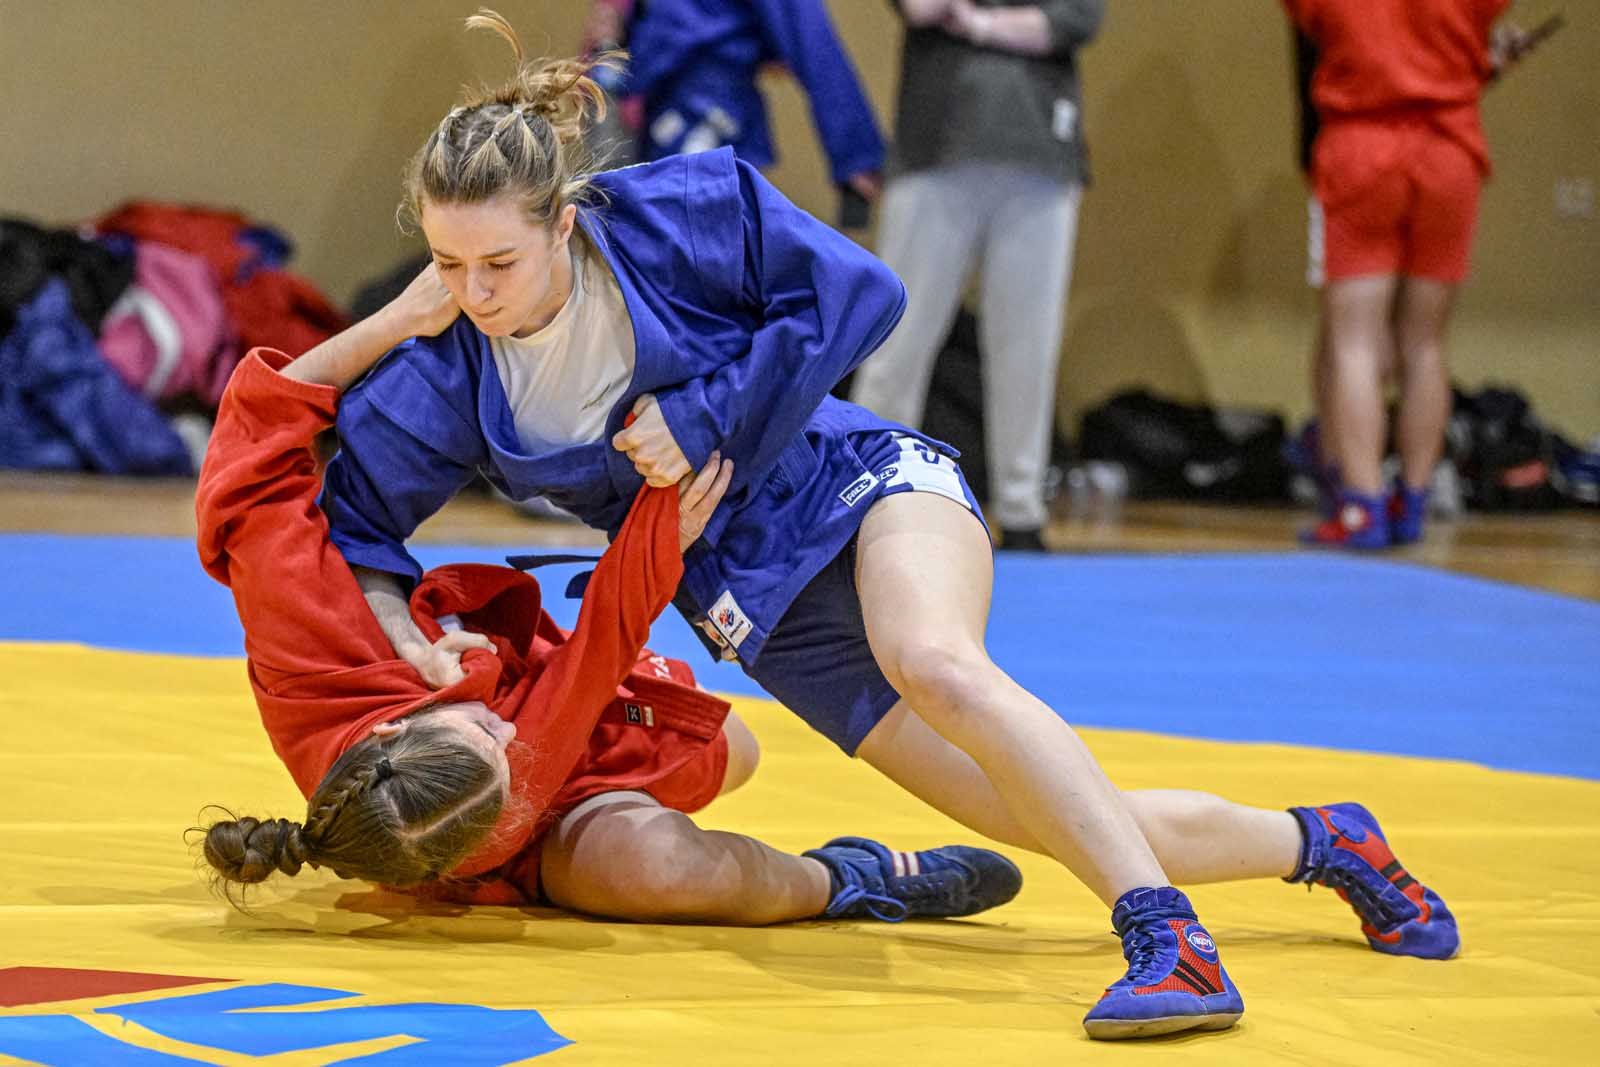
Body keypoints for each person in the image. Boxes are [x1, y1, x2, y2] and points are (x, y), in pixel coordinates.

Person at [320, 11, 1460, 1039]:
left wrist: (708, 412)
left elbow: (863, 290)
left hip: (852, 483)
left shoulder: (672, 214)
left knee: (937, 661)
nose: (474, 292)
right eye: (448, 263)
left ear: (564, 222)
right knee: (1047, 816)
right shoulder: (450, 369)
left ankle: (1168, 940)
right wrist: (410, 638)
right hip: (753, 603)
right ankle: (1326, 840)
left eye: (500, 262)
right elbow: (354, 518)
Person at [193, 284, 1029, 925]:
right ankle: (848, 878)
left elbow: (253, 437)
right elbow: (591, 659)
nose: (505, 732)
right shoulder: (491, 787)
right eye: (502, 755)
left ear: (388, 732)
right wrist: (662, 529)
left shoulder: (310, 651)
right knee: (658, 869)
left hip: (535, 748)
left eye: (484, 733)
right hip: (511, 817)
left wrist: (399, 318)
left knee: (735, 752)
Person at [848, 0, 1102, 551]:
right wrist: (1010, 23)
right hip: (935, 146)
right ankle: (861, 494)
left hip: (1041, 148)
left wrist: (979, 23)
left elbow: (1075, 20)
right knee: (897, 337)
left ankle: (1022, 508)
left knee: (1027, 345)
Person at [1286, 0, 1530, 548]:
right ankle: (1413, 499)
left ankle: (1362, 505)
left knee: (1354, 342)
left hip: (1362, 145)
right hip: (1450, 151)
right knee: (1425, 343)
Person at [602, 0, 884, 216]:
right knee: (699, 246)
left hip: (679, 106)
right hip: (698, 106)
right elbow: (808, 34)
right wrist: (856, 153)